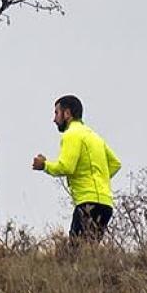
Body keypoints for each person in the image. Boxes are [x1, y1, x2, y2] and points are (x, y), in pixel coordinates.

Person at [31, 94, 120, 241]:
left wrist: (44, 165)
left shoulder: (71, 134)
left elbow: (66, 166)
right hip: (106, 204)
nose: (54, 119)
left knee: (74, 255)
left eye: (56, 113)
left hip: (87, 204)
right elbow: (115, 164)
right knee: (88, 255)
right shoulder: (94, 136)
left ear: (67, 113)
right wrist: (98, 179)